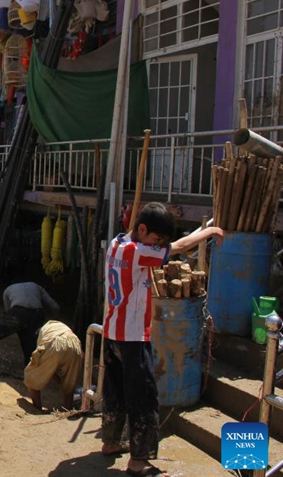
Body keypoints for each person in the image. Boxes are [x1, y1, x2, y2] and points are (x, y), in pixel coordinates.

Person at [101, 202, 223, 477]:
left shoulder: (115, 245)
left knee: (115, 391)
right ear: (142, 229)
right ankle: (138, 461)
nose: (158, 246)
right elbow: (179, 247)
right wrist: (209, 231)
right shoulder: (138, 252)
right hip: (132, 336)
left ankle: (110, 441)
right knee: (143, 396)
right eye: (156, 240)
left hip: (112, 332)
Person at [0, 282, 60, 367]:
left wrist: (16, 326)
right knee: (31, 348)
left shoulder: (8, 289)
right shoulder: (36, 286)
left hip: (17, 313)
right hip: (37, 315)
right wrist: (55, 323)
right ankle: (32, 371)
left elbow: (8, 311)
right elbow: (55, 306)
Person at [24, 320, 82, 411]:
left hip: (55, 342)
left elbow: (45, 362)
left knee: (30, 375)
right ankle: (68, 409)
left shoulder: (42, 335)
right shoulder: (54, 325)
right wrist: (60, 381)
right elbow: (52, 368)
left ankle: (37, 408)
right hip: (75, 344)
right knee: (69, 383)